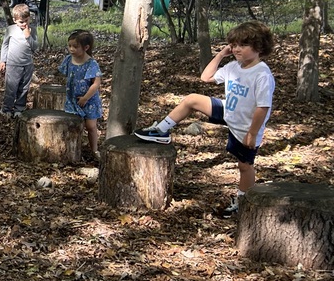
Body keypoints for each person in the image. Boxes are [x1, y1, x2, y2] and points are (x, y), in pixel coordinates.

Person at [135, 21, 276, 217]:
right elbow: (205, 77)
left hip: (247, 124)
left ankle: (244, 201)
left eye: (242, 45)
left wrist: (252, 133)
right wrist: (220, 55)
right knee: (192, 99)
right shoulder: (233, 66)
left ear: (259, 47)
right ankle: (161, 130)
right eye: (234, 45)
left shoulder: (262, 74)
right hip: (229, 111)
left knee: (245, 165)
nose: (236, 49)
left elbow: (263, 107)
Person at [58, 30, 103, 159]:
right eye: (69, 46)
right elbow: (63, 73)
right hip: (72, 99)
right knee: (73, 124)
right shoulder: (68, 60)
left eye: (75, 46)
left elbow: (95, 83)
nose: (71, 49)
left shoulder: (91, 63)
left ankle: (94, 150)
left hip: (89, 100)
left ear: (86, 47)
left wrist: (85, 97)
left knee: (91, 126)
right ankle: (72, 149)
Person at [0, 3, 38, 117]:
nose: (24, 24)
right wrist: (3, 61)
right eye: (21, 22)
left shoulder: (32, 30)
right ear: (15, 20)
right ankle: (6, 109)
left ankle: (19, 109)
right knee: (11, 88)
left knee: (24, 88)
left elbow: (35, 47)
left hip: (27, 65)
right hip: (13, 64)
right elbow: (5, 45)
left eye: (26, 20)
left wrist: (28, 36)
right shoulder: (10, 30)